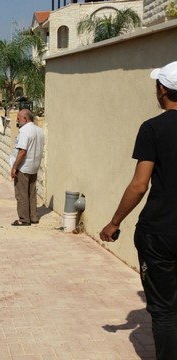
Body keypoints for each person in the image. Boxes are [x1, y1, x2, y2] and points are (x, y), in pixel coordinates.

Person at [99, 60, 177, 360]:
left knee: (165, 312)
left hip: (159, 234)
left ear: (162, 90)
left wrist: (114, 222)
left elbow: (139, 185)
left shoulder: (153, 129)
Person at [9, 109, 44, 226]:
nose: (17, 121)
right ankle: (33, 217)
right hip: (34, 166)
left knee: (21, 194)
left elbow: (22, 151)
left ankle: (24, 219)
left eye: (18, 119)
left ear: (25, 119)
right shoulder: (39, 131)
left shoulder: (24, 131)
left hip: (24, 167)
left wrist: (14, 167)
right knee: (31, 193)